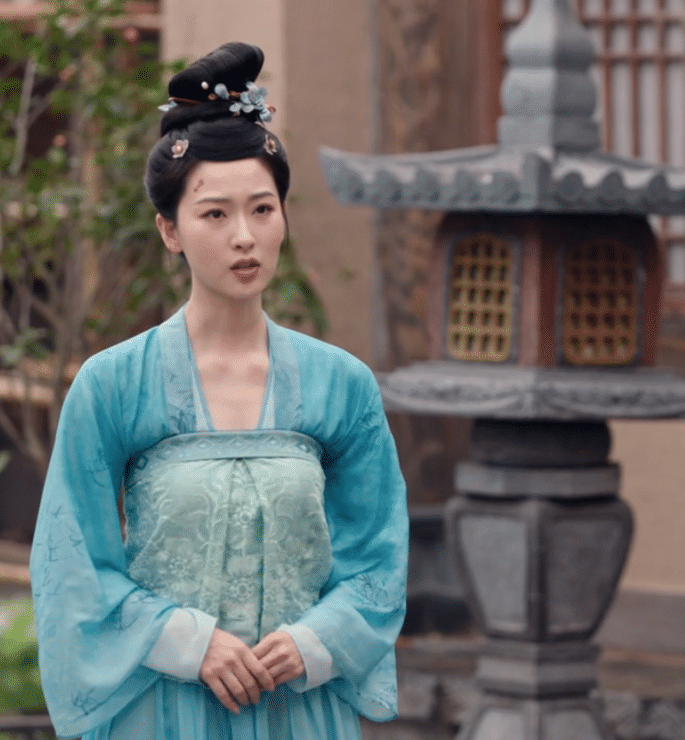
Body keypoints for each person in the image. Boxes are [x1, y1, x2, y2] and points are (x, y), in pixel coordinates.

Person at [29, 42, 408, 740]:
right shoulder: (113, 385)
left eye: (262, 209)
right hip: (160, 710)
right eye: (214, 214)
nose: (244, 238)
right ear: (169, 230)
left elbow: (379, 556)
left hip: (299, 708)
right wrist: (186, 641)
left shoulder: (340, 386)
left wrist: (315, 641)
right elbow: (71, 560)